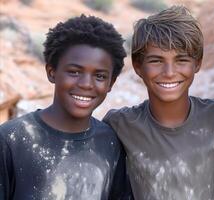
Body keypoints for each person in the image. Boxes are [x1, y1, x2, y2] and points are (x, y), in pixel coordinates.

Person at [103, 5, 214, 200]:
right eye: (156, 61)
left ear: (197, 63)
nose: (169, 72)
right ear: (137, 65)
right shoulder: (120, 125)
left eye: (181, 60)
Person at [0, 15, 131, 199]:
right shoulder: (10, 139)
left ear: (111, 83)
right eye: (74, 72)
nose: (86, 84)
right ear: (51, 72)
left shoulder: (111, 142)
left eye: (100, 76)